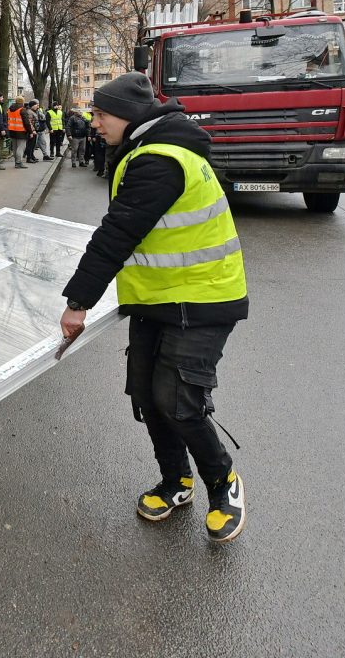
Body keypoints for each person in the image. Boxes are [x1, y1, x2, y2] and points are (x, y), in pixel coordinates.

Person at [59, 71, 249, 545]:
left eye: (100, 114)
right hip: (156, 299)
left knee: (179, 403)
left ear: (127, 115)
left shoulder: (160, 159)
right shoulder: (148, 149)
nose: (94, 121)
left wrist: (78, 303)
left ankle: (223, 484)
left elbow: (118, 233)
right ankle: (175, 481)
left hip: (201, 299)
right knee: (146, 396)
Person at [5, 98, 32, 169]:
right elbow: (26, 123)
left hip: (12, 130)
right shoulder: (22, 110)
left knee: (15, 147)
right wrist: (30, 132)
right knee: (21, 147)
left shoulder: (9, 110)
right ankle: (18, 163)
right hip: (21, 131)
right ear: (22, 102)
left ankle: (16, 162)